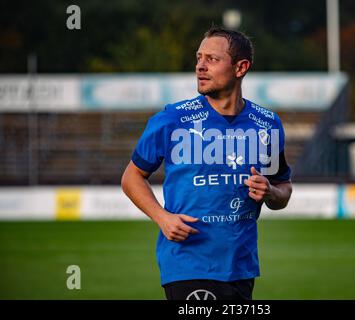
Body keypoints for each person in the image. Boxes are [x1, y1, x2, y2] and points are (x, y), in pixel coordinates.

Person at [121, 26, 292, 300]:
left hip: (241, 265)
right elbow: (131, 177)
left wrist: (271, 192)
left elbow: (283, 188)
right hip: (188, 262)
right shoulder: (171, 120)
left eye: (212, 59)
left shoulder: (267, 125)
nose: (200, 66)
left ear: (241, 67)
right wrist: (162, 217)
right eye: (198, 58)